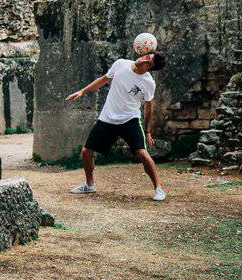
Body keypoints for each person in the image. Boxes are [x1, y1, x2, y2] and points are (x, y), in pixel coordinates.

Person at [64, 51, 168, 201]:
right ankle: (89, 185)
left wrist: (148, 130)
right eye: (147, 56)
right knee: (86, 152)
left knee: (143, 154)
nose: (144, 60)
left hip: (130, 119)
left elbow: (148, 107)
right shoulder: (120, 64)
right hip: (107, 118)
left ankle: (158, 189)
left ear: (149, 69)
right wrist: (82, 91)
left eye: (149, 62)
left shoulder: (148, 82)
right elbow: (103, 80)